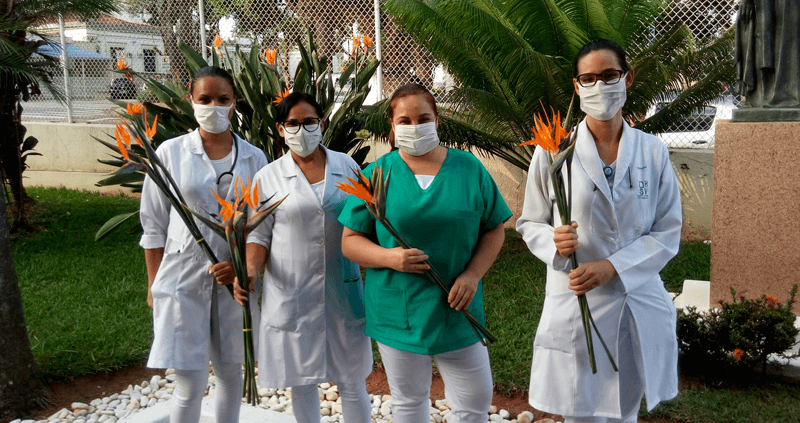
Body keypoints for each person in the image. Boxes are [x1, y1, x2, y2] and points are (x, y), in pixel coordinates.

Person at [516, 40, 682, 423]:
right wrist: (554, 242)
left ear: (628, 78)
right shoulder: (554, 150)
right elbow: (530, 222)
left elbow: (668, 231)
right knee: (581, 410)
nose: (599, 87)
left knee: (625, 410)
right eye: (588, 79)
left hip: (635, 298)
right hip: (578, 305)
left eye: (609, 76)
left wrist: (613, 266)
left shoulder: (652, 152)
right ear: (576, 86)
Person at [338, 83, 512, 423]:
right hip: (397, 311)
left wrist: (473, 274)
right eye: (404, 120)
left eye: (423, 118)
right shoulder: (376, 174)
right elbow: (349, 240)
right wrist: (392, 258)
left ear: (437, 121)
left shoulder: (468, 169)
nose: (414, 127)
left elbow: (494, 228)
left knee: (475, 400)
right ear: (391, 126)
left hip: (457, 307)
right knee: (408, 402)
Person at [139, 66, 267, 423]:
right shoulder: (170, 153)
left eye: (223, 99)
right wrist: (153, 285)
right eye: (205, 99)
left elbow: (260, 225)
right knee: (190, 384)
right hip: (181, 277)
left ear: (234, 104)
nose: (214, 106)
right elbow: (153, 226)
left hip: (234, 283)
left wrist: (241, 265)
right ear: (190, 101)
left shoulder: (255, 158)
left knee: (230, 376)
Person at [235, 92, 373, 423]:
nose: (302, 130)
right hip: (291, 291)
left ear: (321, 124)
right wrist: (251, 270)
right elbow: (258, 234)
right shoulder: (267, 177)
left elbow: (366, 221)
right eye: (293, 124)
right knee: (302, 381)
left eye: (309, 122)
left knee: (352, 380)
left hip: (342, 286)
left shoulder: (347, 166)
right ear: (281, 129)